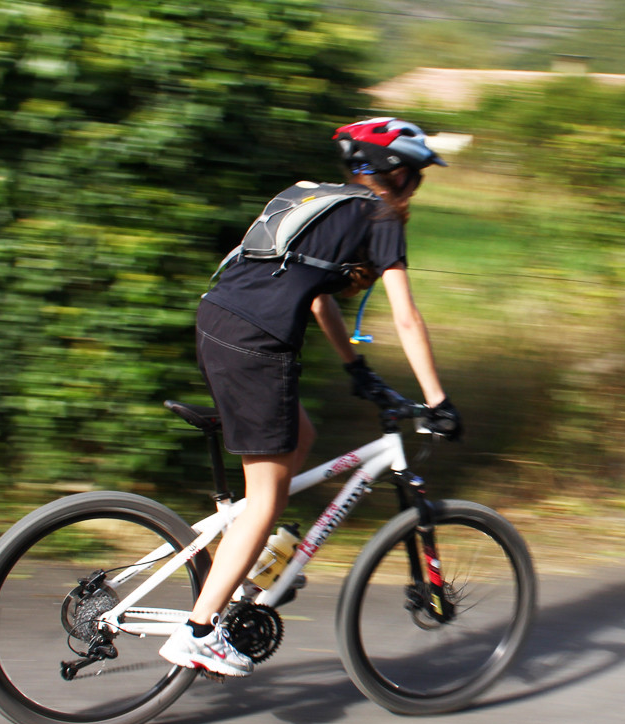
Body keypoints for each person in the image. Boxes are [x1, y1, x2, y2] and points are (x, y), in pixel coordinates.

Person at [159, 118, 461, 676]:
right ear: (394, 175)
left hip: (217, 322)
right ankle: (199, 632)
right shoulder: (381, 214)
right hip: (257, 344)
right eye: (415, 177)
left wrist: (356, 367)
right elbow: (406, 317)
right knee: (268, 494)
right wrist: (437, 400)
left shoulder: (314, 197)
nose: (416, 189)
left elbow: (318, 297)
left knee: (302, 437)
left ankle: (249, 556)